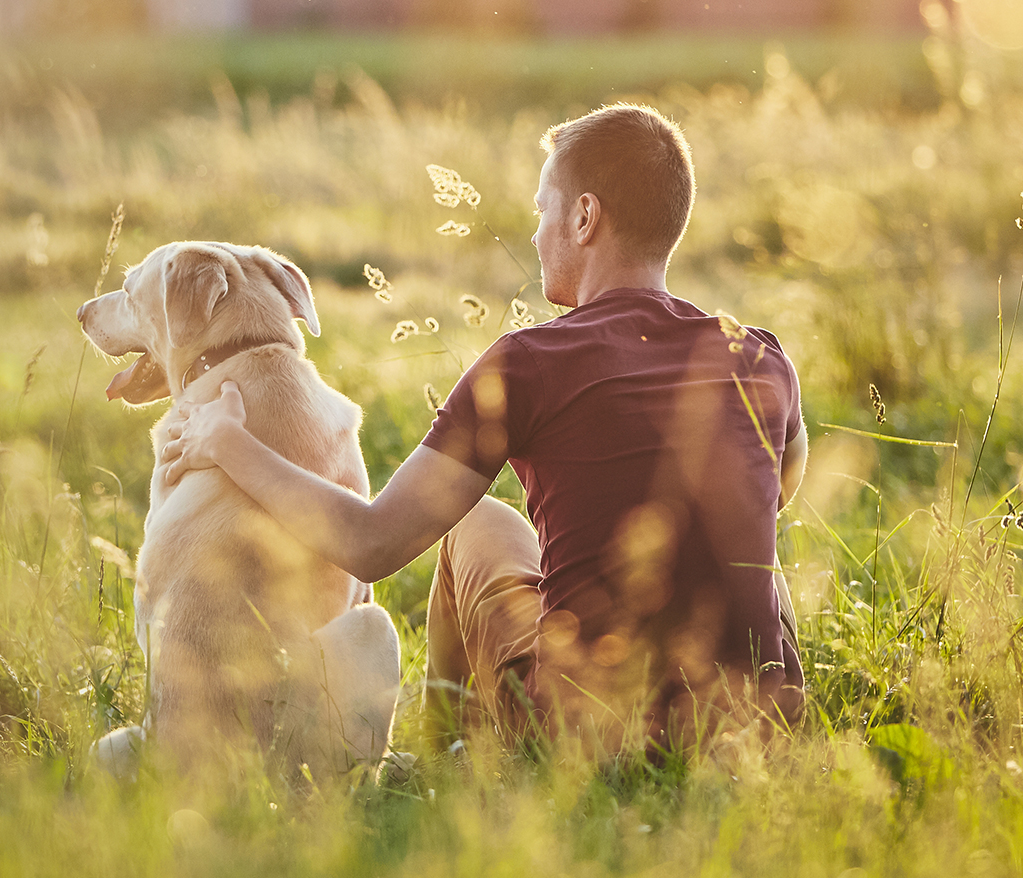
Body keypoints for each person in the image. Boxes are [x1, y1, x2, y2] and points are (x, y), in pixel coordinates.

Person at [158, 104, 807, 757]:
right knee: (755, 559)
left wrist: (227, 442)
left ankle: (444, 761)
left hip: (588, 732)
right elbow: (774, 497)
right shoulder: (762, 356)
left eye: (541, 210)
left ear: (584, 217)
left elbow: (370, 543)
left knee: (469, 524)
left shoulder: (528, 363)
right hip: (755, 727)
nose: (535, 234)